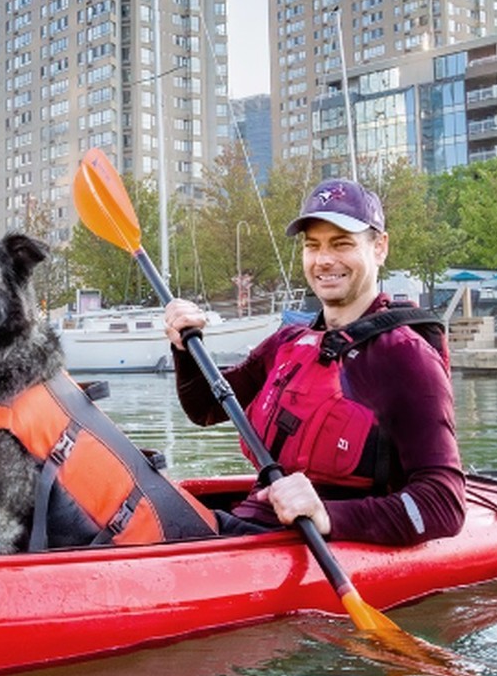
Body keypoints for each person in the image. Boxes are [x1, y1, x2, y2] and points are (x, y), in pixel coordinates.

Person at [164, 178, 466, 546]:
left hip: (312, 542)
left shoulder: (405, 357)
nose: (324, 260)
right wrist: (185, 346)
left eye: (341, 244)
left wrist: (328, 515)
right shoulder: (289, 342)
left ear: (380, 247)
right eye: (313, 246)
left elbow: (444, 504)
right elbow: (205, 408)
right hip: (251, 526)